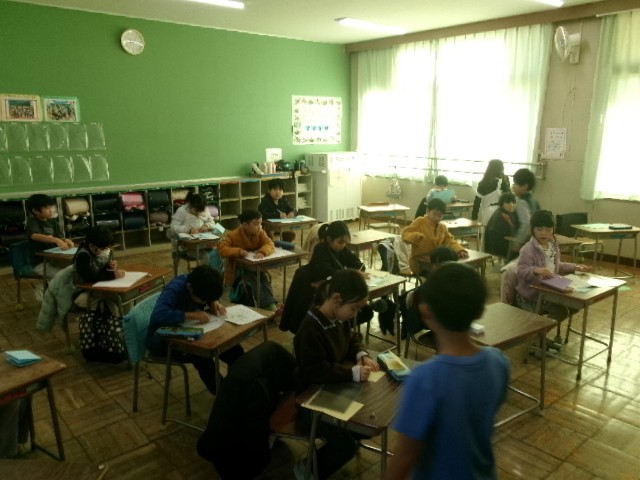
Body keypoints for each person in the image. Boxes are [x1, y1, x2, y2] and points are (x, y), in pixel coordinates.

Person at [385, 263, 510, 480]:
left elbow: (406, 453)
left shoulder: (424, 378)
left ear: (426, 311)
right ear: (480, 311)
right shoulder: (499, 362)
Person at [293, 269, 380, 480]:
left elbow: (352, 338)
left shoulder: (339, 317)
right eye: (354, 308)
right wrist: (352, 373)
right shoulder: (310, 327)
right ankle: (307, 469)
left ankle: (341, 446)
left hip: (334, 389)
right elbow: (314, 370)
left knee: (363, 427)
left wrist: (361, 354)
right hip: (310, 401)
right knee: (346, 446)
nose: (355, 314)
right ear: (336, 299)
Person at [146, 265, 244, 394]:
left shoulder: (199, 283)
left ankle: (239, 386)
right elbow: (158, 315)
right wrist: (190, 315)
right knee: (203, 356)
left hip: (190, 332)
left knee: (233, 350)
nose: (205, 302)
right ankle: (223, 394)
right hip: (163, 341)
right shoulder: (175, 289)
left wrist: (213, 302)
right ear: (190, 288)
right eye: (204, 300)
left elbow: (204, 297)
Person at [515, 210, 590, 323]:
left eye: (548, 230)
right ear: (532, 229)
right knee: (561, 311)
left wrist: (576, 267)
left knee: (576, 305)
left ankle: (545, 329)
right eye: (539, 229)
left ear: (553, 230)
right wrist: (536, 270)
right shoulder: (528, 250)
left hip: (549, 291)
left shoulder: (553, 246)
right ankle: (542, 330)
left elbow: (556, 266)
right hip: (531, 296)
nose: (543, 233)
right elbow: (520, 271)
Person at [217, 209, 277, 308]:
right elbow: (222, 249)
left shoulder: (260, 232)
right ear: (245, 225)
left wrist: (262, 251)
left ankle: (270, 303)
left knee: (264, 279)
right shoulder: (232, 235)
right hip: (239, 270)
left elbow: (269, 243)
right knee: (254, 282)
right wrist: (238, 251)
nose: (260, 227)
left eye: (260, 223)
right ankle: (264, 305)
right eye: (256, 224)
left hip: (255, 266)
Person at [402, 198, 468, 275]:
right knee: (441, 272)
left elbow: (450, 241)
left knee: (452, 269)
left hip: (436, 260)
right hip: (419, 263)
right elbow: (405, 234)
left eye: (440, 216)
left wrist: (460, 250)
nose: (437, 218)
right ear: (427, 211)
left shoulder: (442, 227)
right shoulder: (419, 222)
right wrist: (416, 236)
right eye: (434, 214)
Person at [72, 226, 126, 310]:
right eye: (104, 248)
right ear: (91, 246)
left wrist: (110, 266)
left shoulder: (100, 251)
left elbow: (100, 270)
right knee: (114, 304)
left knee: (122, 297)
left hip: (97, 287)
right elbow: (89, 278)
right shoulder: (83, 256)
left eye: (108, 248)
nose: (107, 251)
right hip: (83, 291)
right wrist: (112, 275)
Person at [25, 193, 74, 279]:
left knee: (75, 269)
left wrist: (65, 240)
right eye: (46, 208)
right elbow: (35, 235)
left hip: (54, 259)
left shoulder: (52, 221)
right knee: (65, 276)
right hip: (41, 264)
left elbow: (59, 237)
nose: (51, 210)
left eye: (51, 207)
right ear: (35, 211)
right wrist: (56, 240)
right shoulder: (32, 222)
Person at [169, 192, 217, 264]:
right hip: (186, 248)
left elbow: (212, 223)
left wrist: (207, 225)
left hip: (203, 243)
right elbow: (173, 227)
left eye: (200, 211)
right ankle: (204, 271)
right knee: (206, 256)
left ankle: (215, 271)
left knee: (217, 253)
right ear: (191, 206)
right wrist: (189, 229)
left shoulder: (204, 210)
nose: (198, 213)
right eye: (196, 211)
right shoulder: (181, 211)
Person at [508, 168, 541, 261]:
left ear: (525, 186)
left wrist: (517, 243)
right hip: (533, 243)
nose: (513, 186)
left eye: (516, 183)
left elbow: (526, 224)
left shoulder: (521, 202)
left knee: (511, 267)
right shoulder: (534, 200)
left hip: (523, 244)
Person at [484, 192, 518, 258]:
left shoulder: (509, 213)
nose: (511, 205)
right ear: (502, 203)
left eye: (513, 203)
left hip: (504, 244)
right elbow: (509, 234)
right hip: (498, 248)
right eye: (508, 202)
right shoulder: (499, 216)